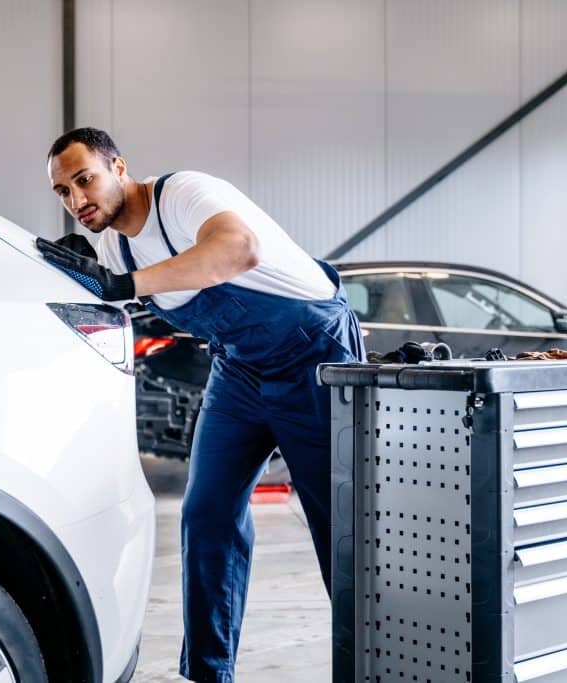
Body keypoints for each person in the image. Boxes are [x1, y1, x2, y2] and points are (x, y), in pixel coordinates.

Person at [39, 127, 364, 682]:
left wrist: (124, 285)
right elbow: (119, 303)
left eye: (84, 179)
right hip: (238, 369)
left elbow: (239, 248)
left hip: (312, 355)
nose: (77, 200)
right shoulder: (113, 247)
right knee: (206, 512)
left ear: (119, 168)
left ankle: (374, 665)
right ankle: (211, 673)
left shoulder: (183, 195)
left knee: (340, 524)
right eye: (63, 192)